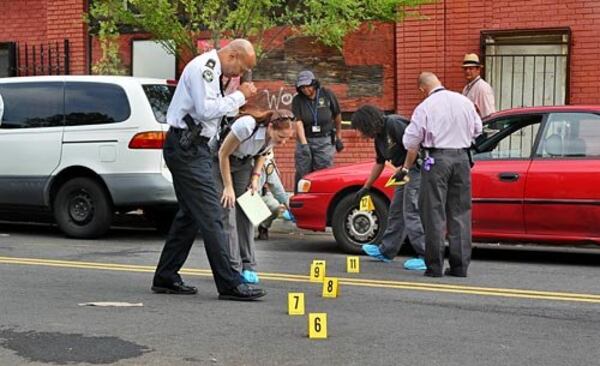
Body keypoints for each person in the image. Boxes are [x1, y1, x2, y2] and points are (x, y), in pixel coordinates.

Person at [151, 39, 267, 301]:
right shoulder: (206, 67)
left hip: (194, 148)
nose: (240, 75)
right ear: (234, 55)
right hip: (187, 148)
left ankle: (166, 276)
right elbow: (205, 111)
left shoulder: (214, 72)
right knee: (213, 214)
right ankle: (230, 283)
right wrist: (240, 96)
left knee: (190, 215)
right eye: (241, 69)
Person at [402, 72, 482, 277]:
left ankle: (435, 266)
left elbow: (411, 140)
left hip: (437, 159)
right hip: (462, 158)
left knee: (433, 213)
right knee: (460, 213)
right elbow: (478, 129)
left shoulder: (425, 107)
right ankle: (460, 266)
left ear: (423, 89)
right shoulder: (464, 101)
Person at [212, 108, 294, 284]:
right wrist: (228, 186)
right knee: (228, 210)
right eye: (281, 137)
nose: (284, 142)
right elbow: (223, 154)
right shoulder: (247, 126)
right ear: (271, 127)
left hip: (243, 164)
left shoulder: (272, 139)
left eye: (287, 138)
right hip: (220, 162)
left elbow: (263, 154)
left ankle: (248, 265)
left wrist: (255, 177)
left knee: (248, 210)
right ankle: (232, 267)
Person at [350, 105, 427, 271]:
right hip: (403, 172)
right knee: (396, 210)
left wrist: (405, 168)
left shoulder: (393, 124)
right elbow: (380, 162)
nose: (360, 134)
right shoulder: (379, 137)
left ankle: (427, 255)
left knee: (411, 211)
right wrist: (366, 187)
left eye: (359, 129)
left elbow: (413, 146)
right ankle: (386, 251)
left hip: (416, 170)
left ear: (367, 123)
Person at [292, 70, 344, 192]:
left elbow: (337, 115)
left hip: (324, 140)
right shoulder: (297, 100)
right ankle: (300, 200)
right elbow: (298, 122)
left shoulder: (327, 94)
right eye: (302, 87)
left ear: (314, 84)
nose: (305, 90)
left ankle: (322, 199)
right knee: (303, 172)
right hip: (306, 139)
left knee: (323, 173)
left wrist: (338, 136)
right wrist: (304, 144)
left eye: (308, 86)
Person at [256, 150, 293, 241]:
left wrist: (288, 207)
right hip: (241, 198)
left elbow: (277, 187)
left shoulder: (268, 164)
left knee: (274, 206)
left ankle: (263, 227)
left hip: (259, 196)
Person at [461, 53, 496, 118]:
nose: (467, 71)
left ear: (478, 70)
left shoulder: (483, 88)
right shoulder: (466, 88)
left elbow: (489, 114)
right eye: (465, 69)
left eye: (471, 68)